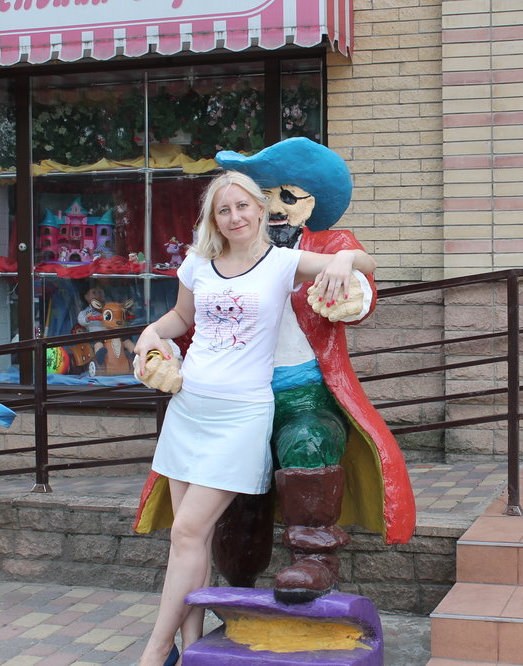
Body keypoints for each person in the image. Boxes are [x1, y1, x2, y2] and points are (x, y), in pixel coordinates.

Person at [133, 170, 377, 666]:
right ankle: (190, 646)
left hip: (241, 416)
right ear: (214, 218)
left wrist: (344, 258)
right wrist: (149, 333)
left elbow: (367, 263)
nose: (234, 217)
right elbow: (182, 318)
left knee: (187, 533)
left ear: (259, 210)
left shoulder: (282, 263)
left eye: (242, 206)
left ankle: (155, 651)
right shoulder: (198, 263)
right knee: (192, 539)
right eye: (223, 210)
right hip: (189, 410)